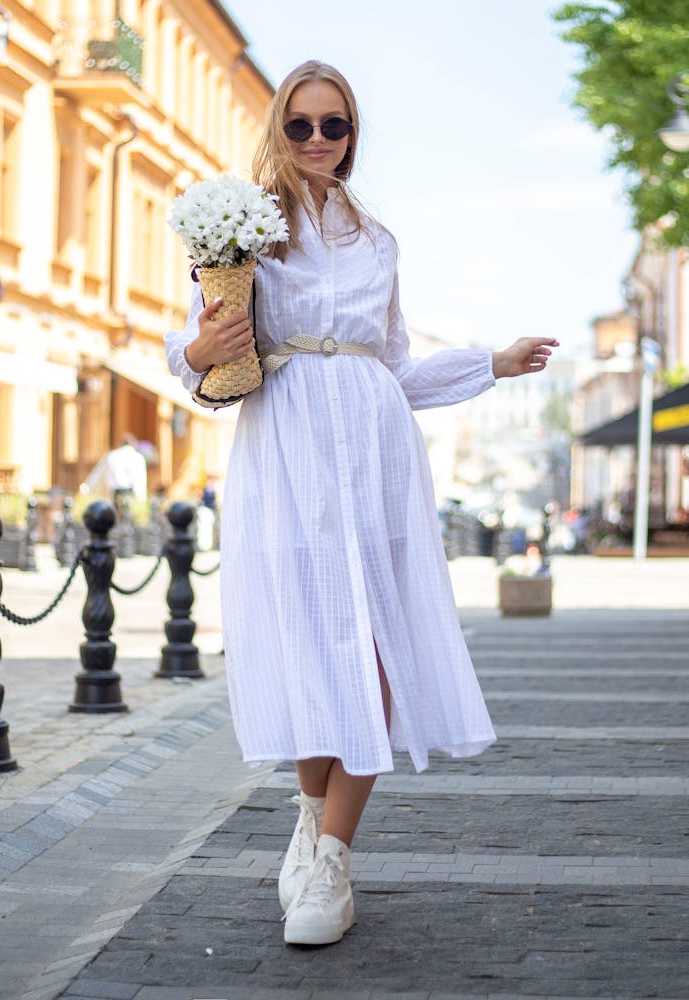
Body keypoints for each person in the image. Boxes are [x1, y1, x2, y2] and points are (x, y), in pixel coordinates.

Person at [165, 60, 558, 948]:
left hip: (375, 449)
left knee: (376, 641)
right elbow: (187, 356)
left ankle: (331, 856)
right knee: (308, 641)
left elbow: (394, 366)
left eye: (332, 126)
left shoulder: (378, 240)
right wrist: (201, 344)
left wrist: (490, 362)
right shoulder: (246, 230)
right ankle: (310, 820)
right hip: (287, 447)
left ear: (352, 134)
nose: (315, 141)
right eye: (299, 125)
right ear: (277, 128)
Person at [81, 433, 147, 504]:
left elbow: (97, 473)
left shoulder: (111, 455)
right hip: (130, 493)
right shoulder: (138, 457)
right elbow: (140, 479)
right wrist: (141, 499)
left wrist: (87, 488)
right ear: (133, 444)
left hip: (114, 493)